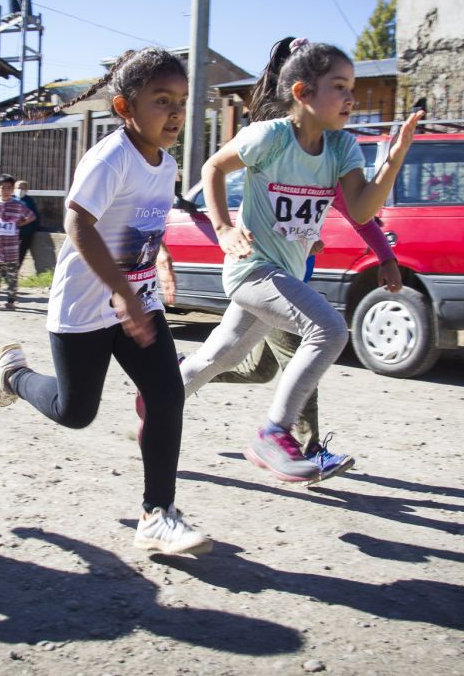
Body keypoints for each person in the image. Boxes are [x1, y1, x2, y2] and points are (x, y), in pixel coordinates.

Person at [0, 47, 211, 556]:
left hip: (138, 302)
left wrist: (161, 262)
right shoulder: (112, 157)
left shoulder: (166, 164)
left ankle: (157, 514)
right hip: (87, 306)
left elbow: (143, 222)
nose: (176, 112)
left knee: (167, 395)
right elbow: (78, 224)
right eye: (162, 101)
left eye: (181, 101)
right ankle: (14, 376)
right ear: (125, 107)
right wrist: (120, 292)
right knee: (75, 411)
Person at [176, 37, 423, 483]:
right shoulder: (270, 137)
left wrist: (395, 158)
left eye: (352, 88)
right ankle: (276, 435)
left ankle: (162, 394)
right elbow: (213, 168)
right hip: (252, 270)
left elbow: (362, 210)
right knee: (328, 330)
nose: (351, 98)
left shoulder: (342, 147)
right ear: (302, 93)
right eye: (339, 87)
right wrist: (225, 229)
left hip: (285, 275)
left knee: (225, 357)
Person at [204, 191, 402, 474]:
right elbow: (266, 219)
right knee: (299, 359)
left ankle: (180, 372)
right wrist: (297, 240)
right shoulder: (283, 174)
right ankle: (310, 450)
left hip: (292, 281)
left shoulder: (327, 181)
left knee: (258, 370)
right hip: (270, 283)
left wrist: (386, 258)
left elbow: (361, 218)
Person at [0, 173, 36, 310]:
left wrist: (19, 224)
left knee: (12, 277)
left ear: (12, 190)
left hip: (11, 247)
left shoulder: (18, 205)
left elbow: (31, 216)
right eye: (3, 188)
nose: (6, 191)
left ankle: (11, 301)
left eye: (9, 188)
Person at [14, 179, 41, 267]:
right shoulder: (11, 199)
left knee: (20, 254)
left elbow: (33, 217)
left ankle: (14, 271)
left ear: (26, 190)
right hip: (12, 233)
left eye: (23, 188)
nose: (20, 190)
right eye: (18, 187)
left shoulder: (29, 201)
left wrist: (21, 224)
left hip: (25, 232)